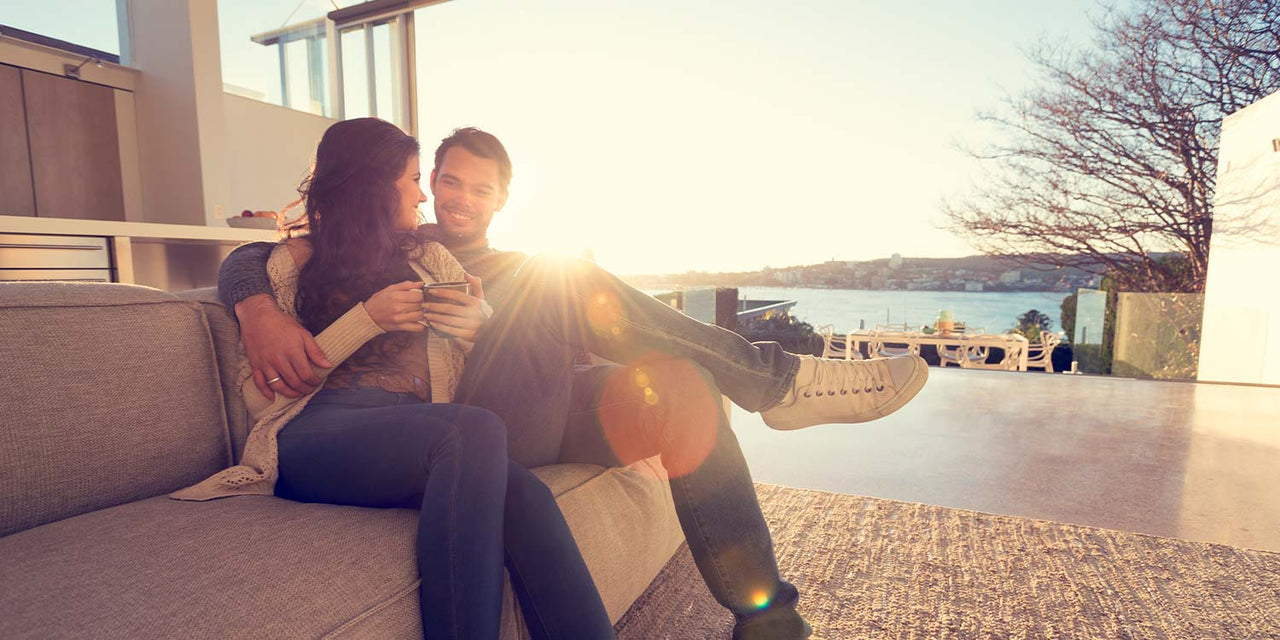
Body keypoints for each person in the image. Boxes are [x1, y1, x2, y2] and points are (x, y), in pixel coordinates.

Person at [217, 126, 929, 639]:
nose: (457, 199)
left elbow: (541, 359)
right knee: (563, 280)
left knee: (681, 385)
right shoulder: (378, 254)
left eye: (480, 189)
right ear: (421, 185)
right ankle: (778, 382)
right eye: (442, 182)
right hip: (461, 419)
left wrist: (484, 325)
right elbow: (263, 258)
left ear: (502, 200)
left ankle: (768, 617)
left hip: (524, 398)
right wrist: (252, 300)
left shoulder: (453, 264)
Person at [172, 118, 615, 640]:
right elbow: (263, 396)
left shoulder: (429, 259)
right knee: (471, 431)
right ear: (372, 185)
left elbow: (479, 368)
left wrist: (480, 330)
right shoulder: (290, 264)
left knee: (525, 495)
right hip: (313, 435)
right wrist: (367, 319)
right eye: (411, 178)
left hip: (417, 431)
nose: (424, 193)